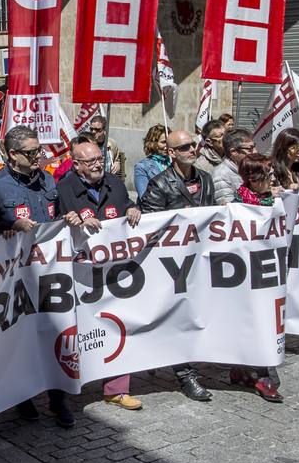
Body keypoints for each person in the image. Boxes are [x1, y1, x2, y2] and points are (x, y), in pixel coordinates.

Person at [0, 125, 74, 427]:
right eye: (31, 153)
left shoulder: (48, 179)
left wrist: (68, 219)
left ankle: (58, 398)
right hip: (15, 276)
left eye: (39, 151)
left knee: (55, 332)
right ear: (12, 154)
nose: (38, 157)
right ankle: (23, 396)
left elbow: (57, 216)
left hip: (49, 272)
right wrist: (7, 228)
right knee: (20, 337)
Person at [56, 135, 145, 411]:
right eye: (91, 161)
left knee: (119, 324)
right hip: (80, 275)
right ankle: (68, 389)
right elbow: (56, 224)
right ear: (77, 165)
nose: (98, 164)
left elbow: (126, 204)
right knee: (78, 330)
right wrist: (71, 220)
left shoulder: (114, 183)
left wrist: (132, 209)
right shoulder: (64, 188)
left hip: (114, 273)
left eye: (100, 159)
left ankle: (117, 390)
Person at [139, 129, 216, 402]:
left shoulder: (205, 179)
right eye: (183, 147)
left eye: (192, 145)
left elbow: (213, 215)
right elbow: (150, 224)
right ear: (171, 153)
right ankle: (186, 375)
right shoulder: (160, 184)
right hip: (172, 264)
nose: (190, 150)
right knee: (178, 316)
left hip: (200, 259)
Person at [230, 153, 284, 402]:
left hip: (268, 273)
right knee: (250, 321)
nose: (272, 179)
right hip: (243, 274)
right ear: (253, 179)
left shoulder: (274, 200)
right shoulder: (237, 205)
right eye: (268, 175)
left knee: (265, 320)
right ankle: (261, 376)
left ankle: (245, 370)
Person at [212, 128, 254, 205]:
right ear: (233, 152)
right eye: (249, 149)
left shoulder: (251, 168)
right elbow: (228, 206)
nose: (255, 151)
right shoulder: (221, 175)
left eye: (254, 147)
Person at [132, 124, 170, 198]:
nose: (167, 145)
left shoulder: (174, 162)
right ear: (153, 143)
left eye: (169, 142)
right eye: (163, 142)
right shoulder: (142, 167)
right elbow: (144, 197)